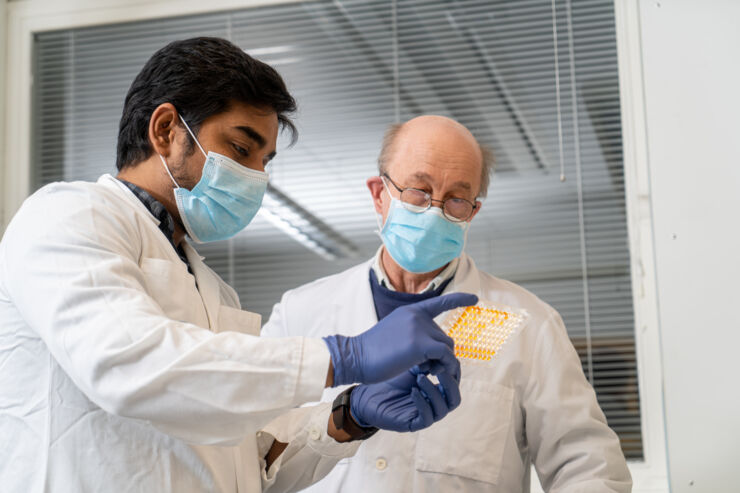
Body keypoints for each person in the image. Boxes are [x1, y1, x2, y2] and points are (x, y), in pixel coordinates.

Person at [0, 38, 474, 493]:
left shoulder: (210, 288)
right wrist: (342, 357)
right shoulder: (69, 215)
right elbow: (129, 364)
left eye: (264, 161)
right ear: (165, 130)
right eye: (241, 149)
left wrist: (349, 418)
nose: (256, 178)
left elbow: (249, 463)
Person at [261, 115, 633, 492]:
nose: (435, 211)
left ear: (472, 212)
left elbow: (589, 469)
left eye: (456, 199)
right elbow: (250, 459)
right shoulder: (300, 313)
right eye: (418, 191)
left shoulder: (528, 323)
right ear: (379, 194)